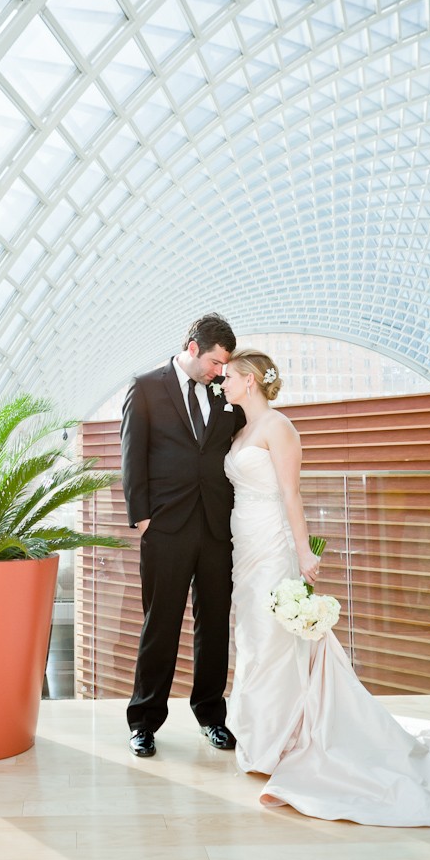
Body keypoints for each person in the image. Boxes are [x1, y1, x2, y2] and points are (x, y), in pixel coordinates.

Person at [222, 348, 430, 825]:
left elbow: (291, 493)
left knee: (270, 642)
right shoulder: (240, 431)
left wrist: (304, 552)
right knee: (251, 638)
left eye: (229, 377)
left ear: (251, 380)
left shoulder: (278, 427)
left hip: (273, 547)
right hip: (244, 546)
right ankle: (264, 736)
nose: (223, 383)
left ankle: (277, 741)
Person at [121, 313, 245, 757]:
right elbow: (132, 453)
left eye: (224, 365)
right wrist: (142, 516)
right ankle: (144, 722)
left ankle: (212, 716)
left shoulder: (224, 393)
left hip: (216, 526)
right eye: (214, 361)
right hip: (166, 526)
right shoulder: (147, 386)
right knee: (161, 624)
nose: (219, 371)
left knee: (214, 626)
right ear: (192, 348)